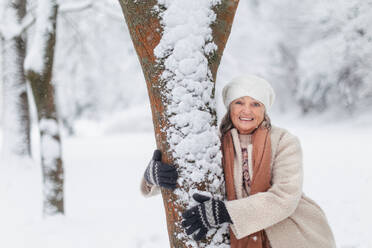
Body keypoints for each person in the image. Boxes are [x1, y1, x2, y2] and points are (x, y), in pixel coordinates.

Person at [140, 75, 337, 248]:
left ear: (264, 110)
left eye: (255, 104)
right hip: (236, 237)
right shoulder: (213, 141)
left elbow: (285, 198)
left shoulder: (284, 141)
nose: (247, 111)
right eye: (239, 102)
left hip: (292, 234)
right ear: (229, 106)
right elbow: (186, 174)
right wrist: (152, 177)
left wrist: (225, 212)